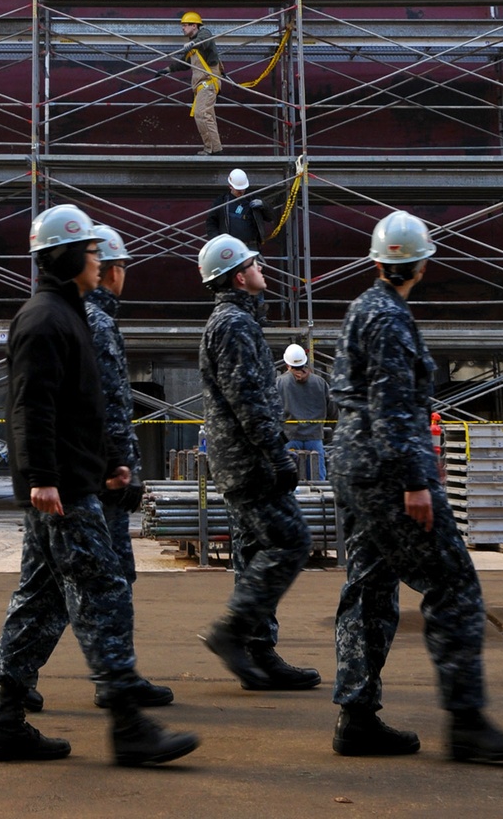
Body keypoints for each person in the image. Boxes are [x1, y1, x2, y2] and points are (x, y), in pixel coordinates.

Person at [0, 203, 199, 767]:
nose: (101, 260)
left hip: (77, 479)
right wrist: (44, 479)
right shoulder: (44, 320)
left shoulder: (69, 315)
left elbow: (87, 406)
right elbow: (32, 407)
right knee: (103, 590)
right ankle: (128, 726)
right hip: (62, 491)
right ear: (69, 255)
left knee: (41, 599)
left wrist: (110, 461)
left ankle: (6, 725)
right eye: (94, 251)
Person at [330, 210, 503, 764]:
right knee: (455, 585)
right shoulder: (391, 319)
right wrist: (415, 481)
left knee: (370, 588)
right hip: (389, 470)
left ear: (378, 261)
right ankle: (467, 723)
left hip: (355, 465)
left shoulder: (362, 309)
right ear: (420, 263)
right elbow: (395, 406)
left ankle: (357, 718)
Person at [195, 233, 321, 692]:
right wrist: (277, 455)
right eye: (254, 263)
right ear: (238, 275)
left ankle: (258, 654)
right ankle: (231, 633)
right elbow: (249, 400)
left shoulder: (233, 321)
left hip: (237, 460)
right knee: (291, 541)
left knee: (253, 554)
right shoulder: (234, 324)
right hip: (249, 462)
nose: (261, 268)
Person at [166, 10, 224, 155]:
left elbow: (203, 40)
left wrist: (193, 43)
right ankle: (212, 148)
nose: (182, 28)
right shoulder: (191, 48)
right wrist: (167, 69)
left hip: (208, 83)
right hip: (201, 86)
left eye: (185, 25)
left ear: (194, 26)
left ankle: (214, 150)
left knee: (203, 114)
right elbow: (184, 63)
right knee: (203, 115)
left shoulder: (204, 35)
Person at [276, 344, 329, 481]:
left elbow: (271, 410)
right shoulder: (320, 382)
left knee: (288, 481)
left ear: (287, 363)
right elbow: (333, 409)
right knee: (318, 483)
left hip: (289, 437)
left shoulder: (279, 383)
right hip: (314, 438)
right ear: (305, 361)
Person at [205, 167, 271, 248]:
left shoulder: (253, 198)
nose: (241, 191)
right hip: (229, 247)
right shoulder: (221, 201)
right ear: (230, 186)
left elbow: (270, 217)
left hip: (251, 246)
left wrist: (264, 205)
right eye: (238, 189)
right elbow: (211, 223)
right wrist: (217, 240)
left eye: (243, 189)